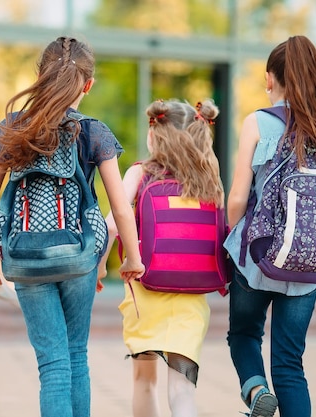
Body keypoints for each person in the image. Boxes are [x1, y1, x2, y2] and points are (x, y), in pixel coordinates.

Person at [0, 36, 145, 417]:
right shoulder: (94, 132)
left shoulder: (15, 127)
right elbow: (120, 206)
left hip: (24, 255)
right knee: (75, 356)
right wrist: (132, 258)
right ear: (88, 84)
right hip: (79, 256)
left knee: (52, 364)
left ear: (40, 75)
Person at [223, 35, 316, 417]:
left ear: (269, 78)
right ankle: (273, 389)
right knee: (290, 362)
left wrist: (234, 238)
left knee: (244, 334)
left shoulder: (259, 122)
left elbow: (236, 198)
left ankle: (256, 390)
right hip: (311, 261)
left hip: (258, 255)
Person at [97, 98, 224, 417]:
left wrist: (99, 268)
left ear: (154, 136)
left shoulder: (140, 173)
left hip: (145, 289)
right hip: (192, 297)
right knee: (182, 390)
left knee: (144, 381)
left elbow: (112, 224)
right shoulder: (208, 177)